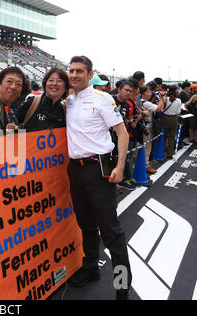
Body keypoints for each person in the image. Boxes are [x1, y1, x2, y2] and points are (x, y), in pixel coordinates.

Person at [65, 56, 131, 300]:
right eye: (71, 70)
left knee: (111, 232)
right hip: (75, 170)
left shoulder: (103, 99)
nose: (74, 75)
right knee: (86, 226)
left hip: (99, 170)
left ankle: (123, 288)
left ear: (89, 73)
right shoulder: (68, 101)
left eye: (79, 71)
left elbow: (121, 133)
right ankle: (91, 268)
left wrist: (121, 166)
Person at [14, 67, 68, 132]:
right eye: (51, 80)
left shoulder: (65, 110)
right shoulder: (33, 102)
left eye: (59, 81)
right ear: (45, 84)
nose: (54, 83)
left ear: (65, 87)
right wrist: (22, 140)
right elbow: (10, 126)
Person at [139, 86, 164, 174]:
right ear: (143, 93)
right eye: (148, 92)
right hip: (147, 127)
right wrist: (161, 98)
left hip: (143, 127)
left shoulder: (140, 102)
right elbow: (159, 109)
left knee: (145, 146)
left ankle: (144, 165)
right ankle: (146, 165)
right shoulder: (145, 103)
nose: (150, 94)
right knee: (147, 146)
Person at [160, 85, 182, 159]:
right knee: (172, 137)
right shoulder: (178, 100)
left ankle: (162, 152)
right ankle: (170, 153)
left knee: (164, 136)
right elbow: (178, 111)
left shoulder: (165, 99)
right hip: (174, 119)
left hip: (165, 118)